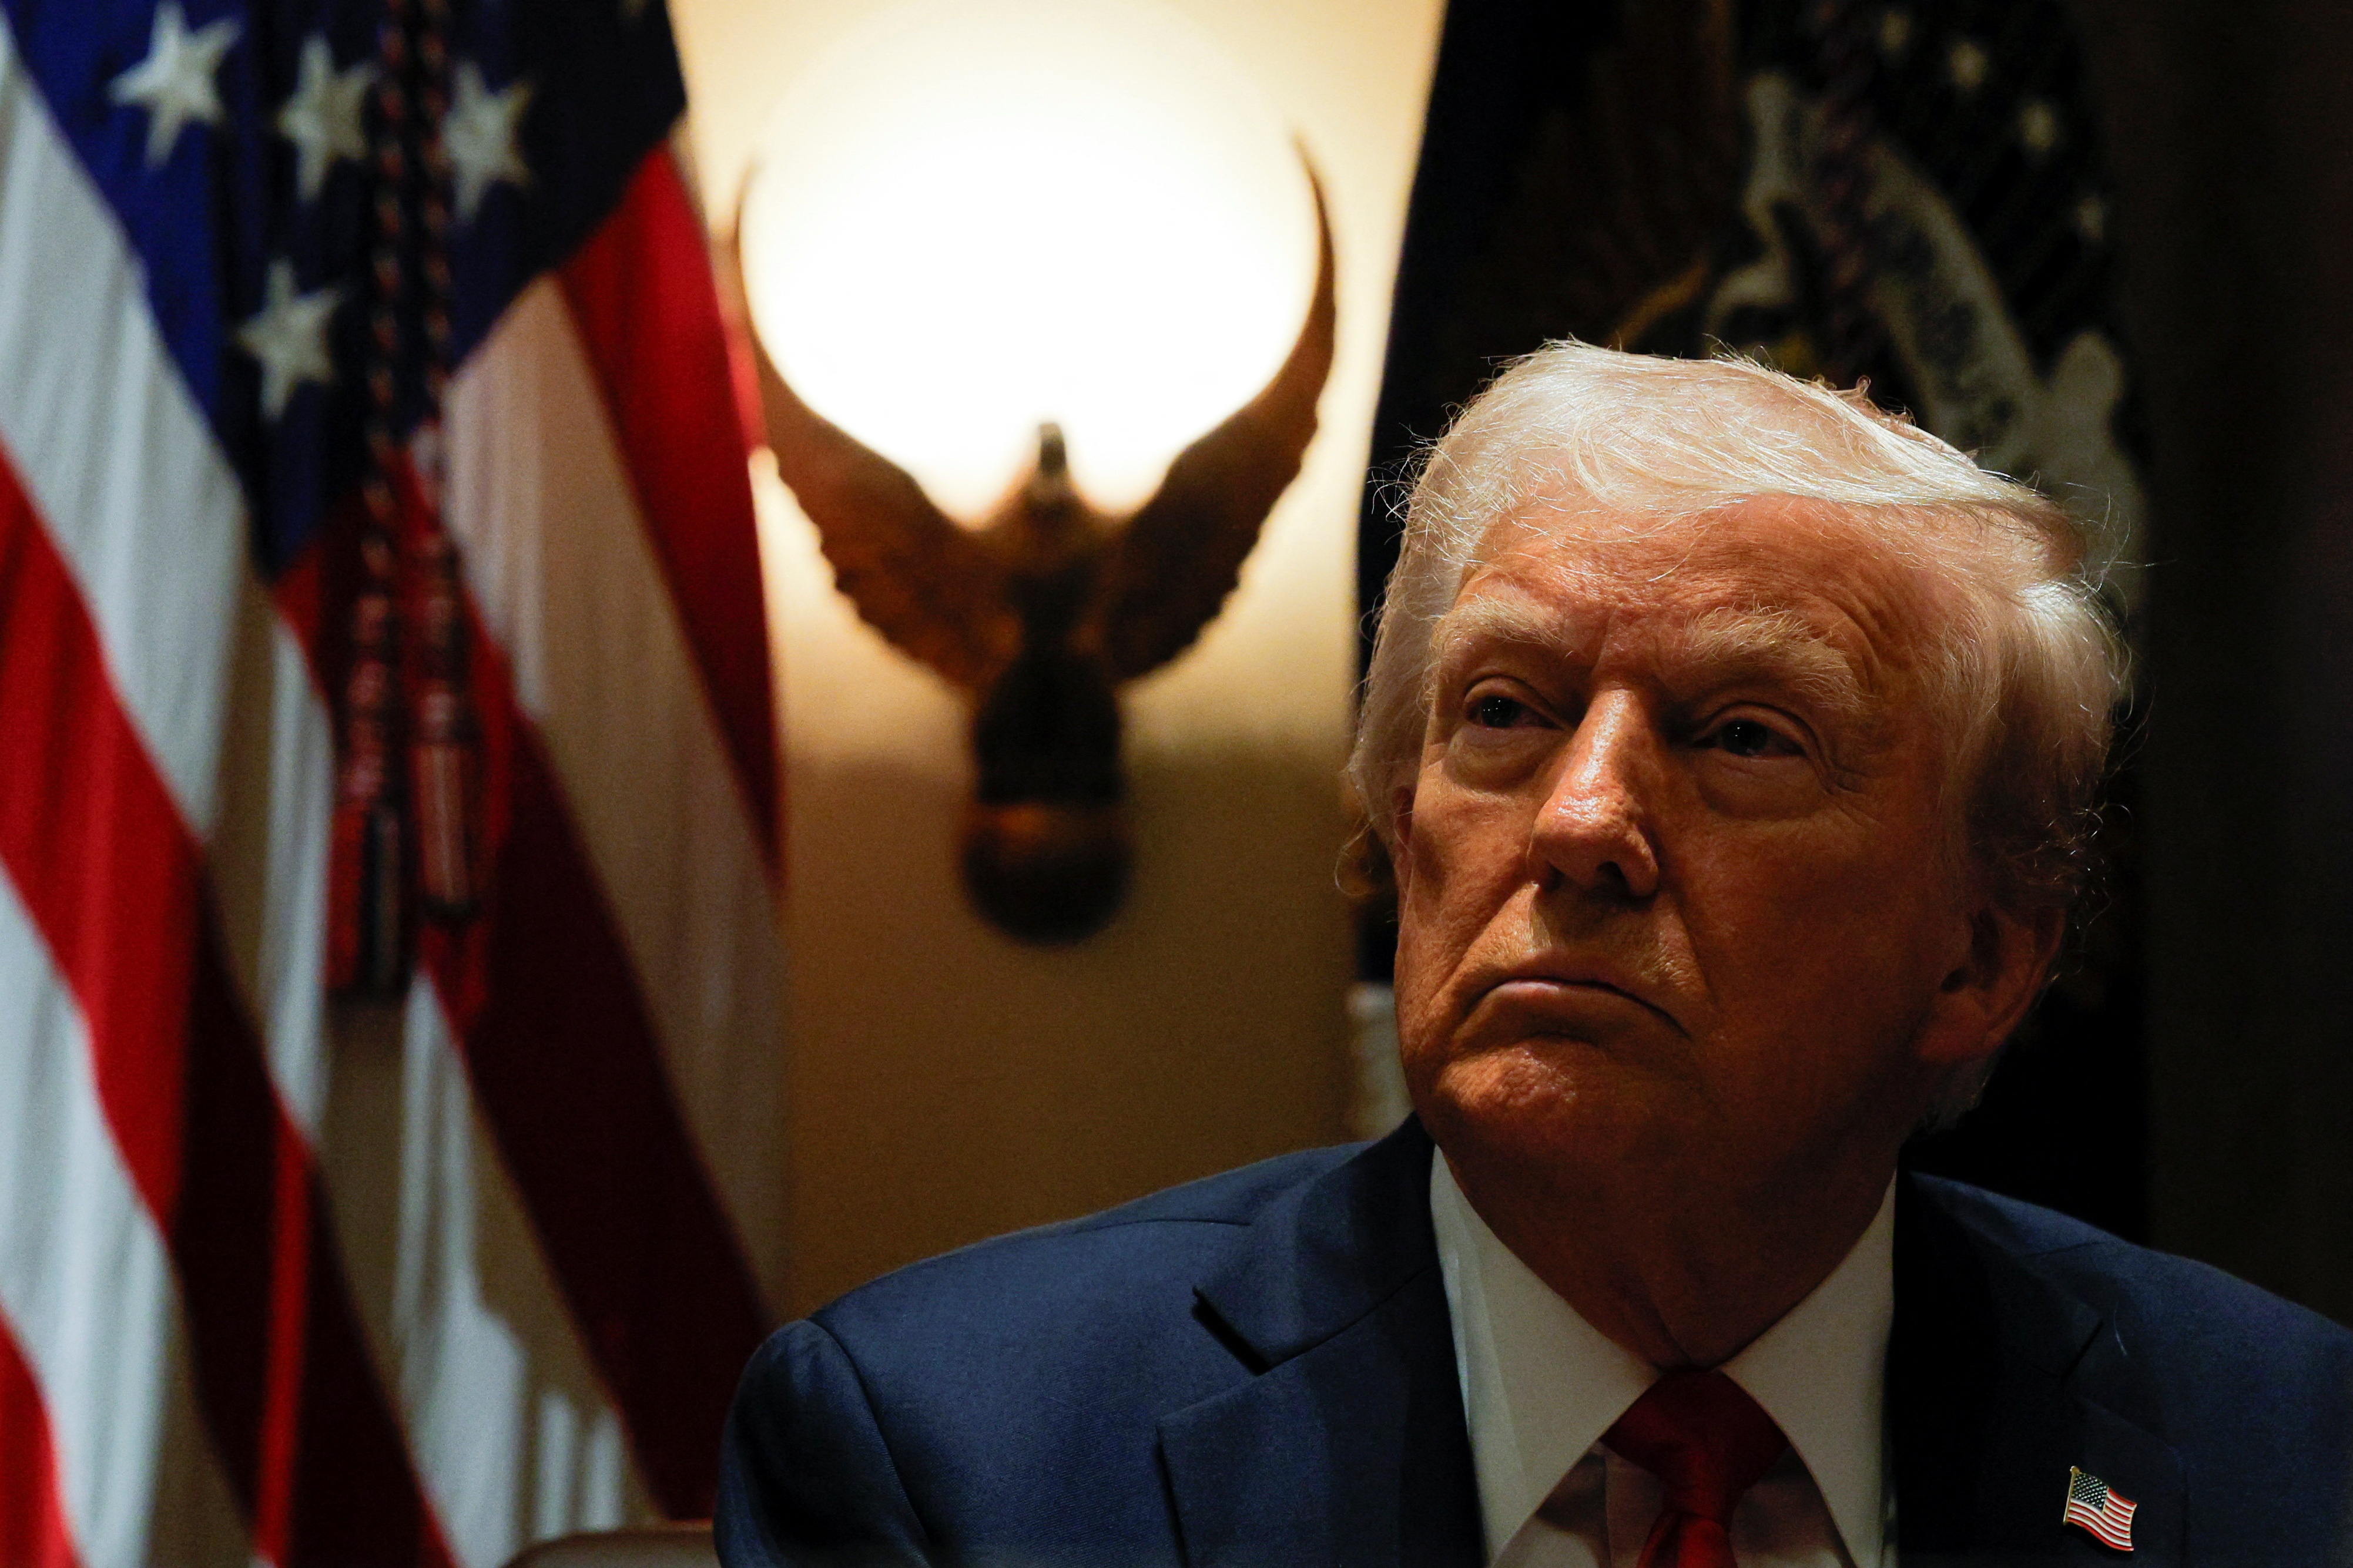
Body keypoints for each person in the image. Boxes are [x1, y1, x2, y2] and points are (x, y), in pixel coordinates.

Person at [716, 345, 2353, 1567]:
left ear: (1978, 959)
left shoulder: (2275, 1458)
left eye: (1741, 737)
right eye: (1504, 711)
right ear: (1392, 829)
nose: (1580, 820)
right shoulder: (957, 1459)